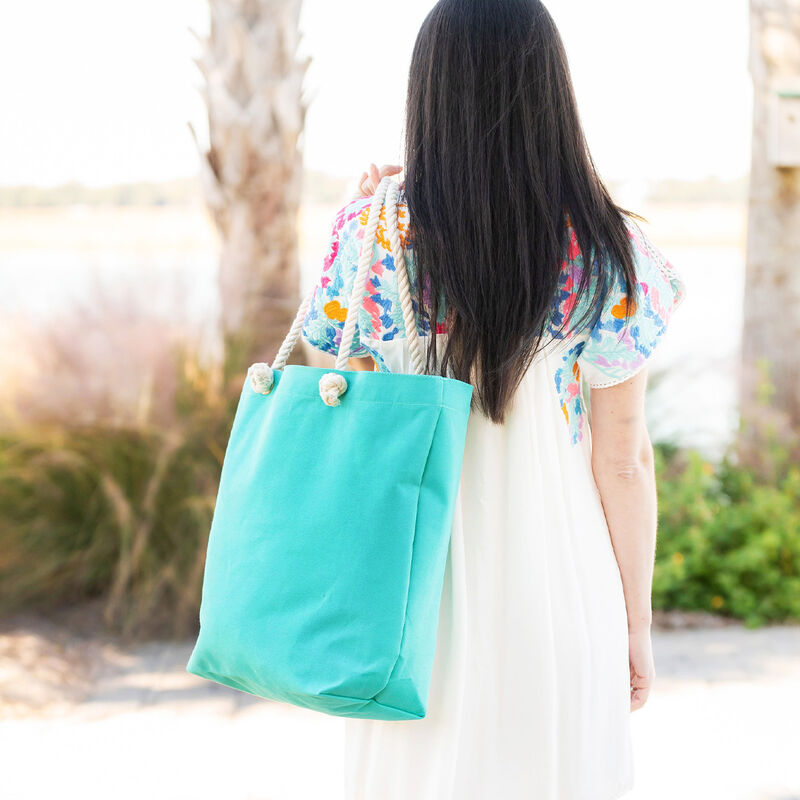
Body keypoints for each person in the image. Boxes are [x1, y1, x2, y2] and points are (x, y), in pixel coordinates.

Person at [301, 1, 687, 798]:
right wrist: (635, 621)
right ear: (551, 91)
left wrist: (354, 222)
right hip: (563, 586)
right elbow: (624, 460)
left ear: (429, 93)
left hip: (409, 595)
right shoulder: (610, 251)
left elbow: (330, 384)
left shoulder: (377, 237)